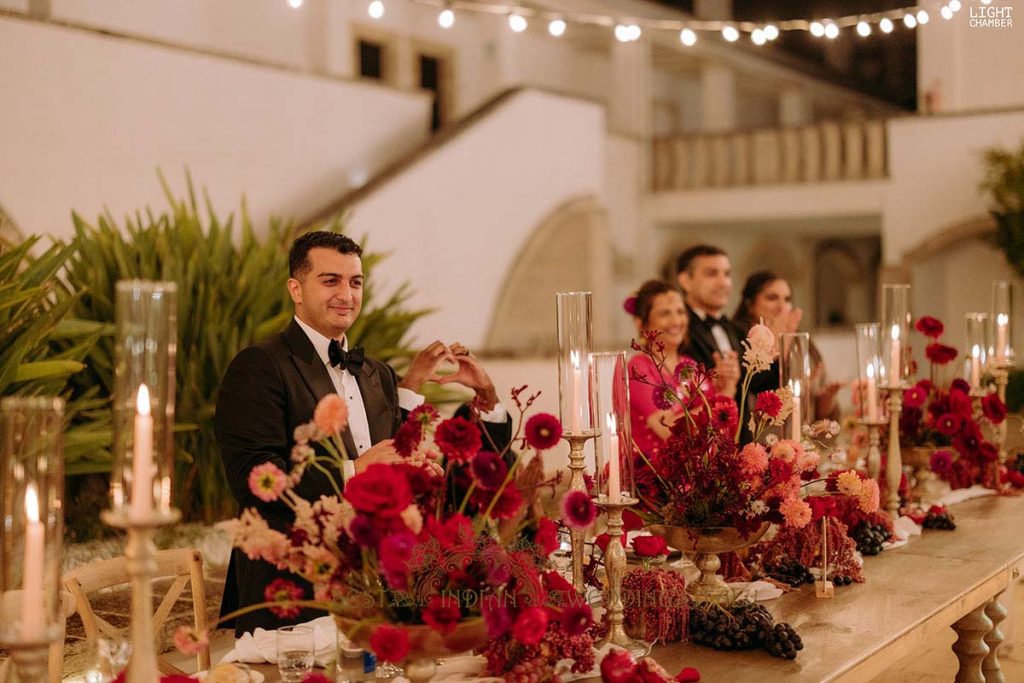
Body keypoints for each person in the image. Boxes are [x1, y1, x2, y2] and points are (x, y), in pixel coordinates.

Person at [216, 230, 508, 635]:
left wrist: (417, 468)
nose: (346, 295)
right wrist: (354, 471)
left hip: (372, 589)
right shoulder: (260, 366)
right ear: (296, 289)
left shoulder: (376, 373)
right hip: (291, 594)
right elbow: (253, 477)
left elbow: (392, 455)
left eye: (355, 282)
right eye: (330, 280)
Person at [626, 280, 737, 457]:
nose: (676, 321)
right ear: (641, 323)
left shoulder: (689, 364)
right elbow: (668, 429)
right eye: (665, 314)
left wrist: (726, 385)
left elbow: (717, 430)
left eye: (680, 312)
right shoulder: (638, 367)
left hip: (696, 474)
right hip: (653, 476)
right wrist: (723, 399)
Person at [733, 271, 840, 420]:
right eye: (772, 298)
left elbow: (817, 396)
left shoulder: (800, 340)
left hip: (801, 430)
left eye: (787, 299)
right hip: (762, 434)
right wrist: (776, 342)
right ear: (750, 304)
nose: (782, 306)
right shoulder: (739, 339)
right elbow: (753, 391)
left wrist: (824, 402)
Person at [673, 245, 743, 396]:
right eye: (712, 274)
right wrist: (713, 384)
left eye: (727, 274)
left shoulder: (735, 329)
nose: (723, 282)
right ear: (685, 281)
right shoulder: (678, 331)